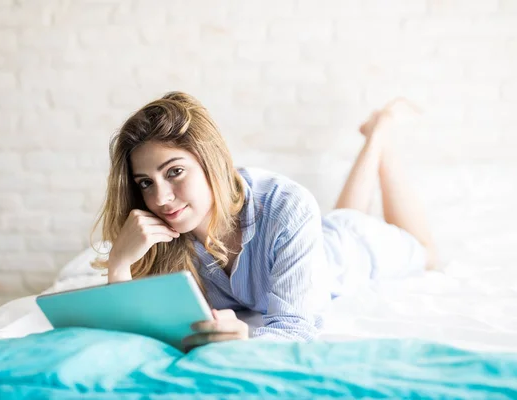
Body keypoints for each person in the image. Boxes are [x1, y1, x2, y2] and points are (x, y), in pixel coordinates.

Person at [91, 91, 438, 350]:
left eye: (175, 172)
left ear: (210, 162)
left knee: (424, 251)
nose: (161, 198)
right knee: (339, 216)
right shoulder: (167, 233)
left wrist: (246, 342)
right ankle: (374, 136)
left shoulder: (285, 204)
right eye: (146, 183)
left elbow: (294, 328)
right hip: (321, 230)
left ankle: (380, 133)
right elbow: (140, 332)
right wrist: (119, 264)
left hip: (347, 252)